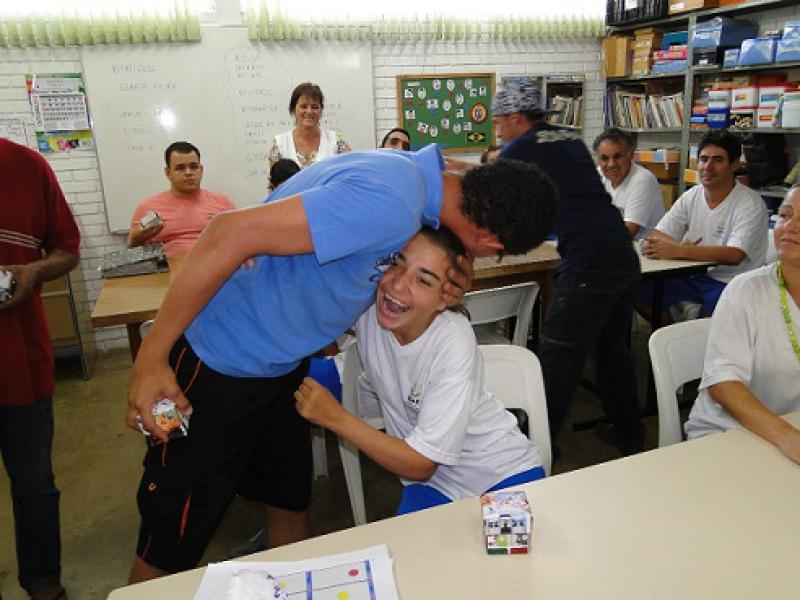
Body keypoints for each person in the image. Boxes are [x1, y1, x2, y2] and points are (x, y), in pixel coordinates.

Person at [125, 144, 558, 582]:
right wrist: (150, 360)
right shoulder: (393, 204)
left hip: (282, 367)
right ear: (491, 244)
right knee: (171, 535)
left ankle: (288, 588)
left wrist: (448, 275)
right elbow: (227, 232)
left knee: (290, 500)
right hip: (224, 363)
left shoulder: (419, 185)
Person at [296, 227, 546, 514]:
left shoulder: (452, 341)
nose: (398, 285)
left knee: (502, 544)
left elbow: (421, 464)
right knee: (409, 543)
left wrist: (336, 418)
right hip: (435, 487)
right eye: (397, 263)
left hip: (502, 476)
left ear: (445, 298)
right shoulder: (371, 308)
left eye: (424, 281)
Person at [491, 80, 644, 457]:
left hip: (590, 263)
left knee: (558, 357)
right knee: (613, 353)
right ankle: (631, 438)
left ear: (515, 117)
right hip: (621, 255)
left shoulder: (520, 147)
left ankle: (535, 453)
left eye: (499, 120)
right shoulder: (569, 139)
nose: (498, 128)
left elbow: (489, 187)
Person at [0, 138, 81, 600]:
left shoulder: (26, 167)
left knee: (34, 483)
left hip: (19, 361)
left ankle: (43, 581)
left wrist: (34, 272)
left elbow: (67, 248)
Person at [685, 184, 800, 461]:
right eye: (785, 215)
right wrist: (787, 437)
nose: (790, 227)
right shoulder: (746, 290)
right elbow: (723, 384)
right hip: (729, 433)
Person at [641, 130, 768, 318]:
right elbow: (658, 234)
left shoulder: (750, 203)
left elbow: (735, 255)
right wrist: (661, 246)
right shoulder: (692, 195)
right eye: (703, 159)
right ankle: (668, 332)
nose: (708, 167)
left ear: (734, 165)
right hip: (694, 276)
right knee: (636, 285)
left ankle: (691, 332)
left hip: (731, 282)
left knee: (713, 315)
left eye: (718, 160)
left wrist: (681, 251)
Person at [128, 142, 236, 257]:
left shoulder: (222, 203)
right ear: (168, 173)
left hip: (217, 264)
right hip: (170, 267)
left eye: (193, 167)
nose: (188, 173)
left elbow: (240, 240)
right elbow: (132, 254)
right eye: (180, 168)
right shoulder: (148, 208)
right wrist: (136, 239)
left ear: (201, 170)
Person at [594, 127, 664, 240]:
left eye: (617, 157)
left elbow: (625, 235)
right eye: (605, 158)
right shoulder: (598, 175)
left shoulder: (643, 180)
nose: (611, 164)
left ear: (630, 156)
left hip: (639, 247)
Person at [268, 82, 351, 170]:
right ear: (293, 110)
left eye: (315, 107)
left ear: (321, 111)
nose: (309, 111)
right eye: (303, 106)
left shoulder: (336, 141)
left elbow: (352, 170)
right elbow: (275, 178)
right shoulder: (280, 144)